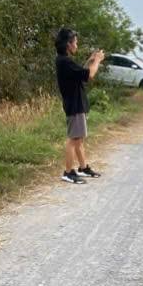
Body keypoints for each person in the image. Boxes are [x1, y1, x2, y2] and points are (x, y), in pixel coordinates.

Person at [54, 27, 104, 184]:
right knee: (73, 139)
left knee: (79, 138)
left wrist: (90, 60)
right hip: (74, 105)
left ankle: (83, 168)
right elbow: (89, 75)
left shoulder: (64, 60)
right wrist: (97, 61)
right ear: (68, 44)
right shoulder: (65, 61)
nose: (77, 45)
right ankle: (68, 172)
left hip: (76, 104)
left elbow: (80, 73)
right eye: (75, 42)